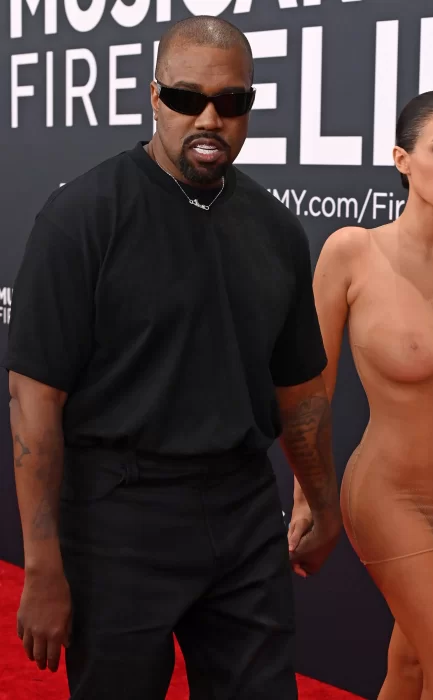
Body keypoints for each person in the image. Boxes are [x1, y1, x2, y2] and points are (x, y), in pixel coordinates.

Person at [4, 16, 342, 700]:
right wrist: (43, 566)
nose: (209, 119)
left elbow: (300, 390)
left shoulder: (277, 230)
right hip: (118, 517)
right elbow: (35, 401)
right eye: (188, 98)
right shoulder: (82, 218)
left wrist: (324, 503)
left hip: (245, 514)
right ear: (155, 97)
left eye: (231, 101)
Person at [289, 91, 433, 699]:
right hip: (388, 493)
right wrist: (308, 496)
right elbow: (315, 388)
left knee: (412, 664)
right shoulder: (352, 252)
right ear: (402, 159)